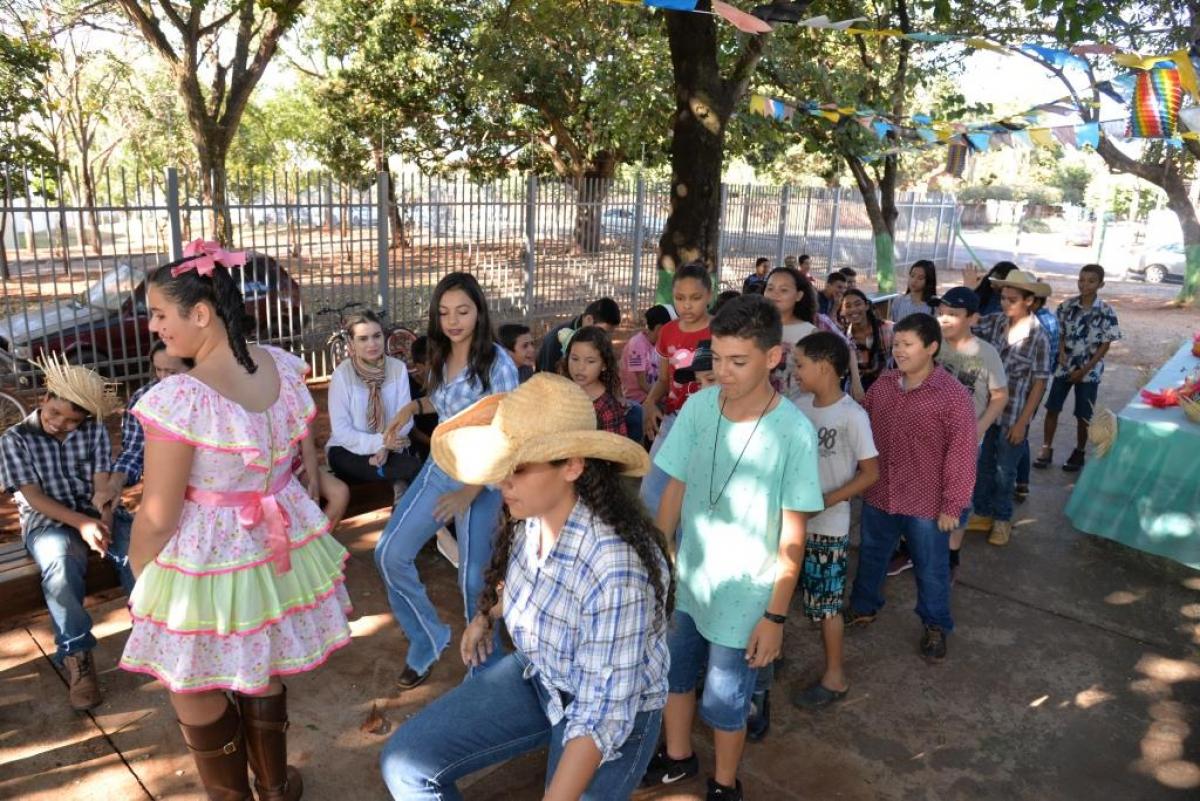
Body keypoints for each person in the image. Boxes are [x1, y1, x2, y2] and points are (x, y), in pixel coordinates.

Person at [120, 243, 352, 801]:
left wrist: (140, 567)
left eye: (159, 314)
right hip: (273, 544)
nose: (153, 327)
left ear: (201, 314)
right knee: (258, 661)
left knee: (192, 683)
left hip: (208, 555)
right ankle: (275, 786)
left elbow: (159, 514)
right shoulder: (278, 365)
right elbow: (294, 452)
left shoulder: (182, 398)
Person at [380, 374, 668, 800]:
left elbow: (601, 715)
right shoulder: (533, 514)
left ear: (572, 466)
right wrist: (486, 614)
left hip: (611, 713)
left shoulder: (615, 568)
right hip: (540, 674)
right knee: (406, 762)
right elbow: (526, 583)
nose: (502, 483)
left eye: (517, 468)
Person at [640, 295, 822, 801]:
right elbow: (675, 486)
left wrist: (775, 616)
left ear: (773, 358)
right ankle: (678, 757)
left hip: (746, 599)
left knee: (724, 702)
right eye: (717, 358)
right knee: (675, 676)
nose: (722, 371)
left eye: (737, 362)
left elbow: (793, 535)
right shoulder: (699, 407)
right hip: (688, 581)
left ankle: (724, 784)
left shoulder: (793, 433)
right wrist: (660, 560)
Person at [376, 272, 519, 690]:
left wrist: (469, 493)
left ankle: (485, 676)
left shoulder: (498, 363)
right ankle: (428, 638)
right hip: (442, 467)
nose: (453, 321)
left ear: (479, 312)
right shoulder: (440, 353)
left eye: (462, 311)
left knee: (474, 580)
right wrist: (412, 407)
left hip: (485, 479)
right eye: (444, 313)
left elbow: (509, 434)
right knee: (389, 554)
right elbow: (444, 403)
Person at [0, 355, 133, 711]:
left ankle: (156, 634)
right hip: (48, 520)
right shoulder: (14, 439)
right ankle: (77, 655)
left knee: (137, 553)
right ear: (45, 398)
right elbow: (34, 498)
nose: (62, 424)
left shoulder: (94, 430)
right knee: (60, 564)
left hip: (96, 513)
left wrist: (104, 520)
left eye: (74, 421)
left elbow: (102, 486)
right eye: (55, 413)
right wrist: (83, 525)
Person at [844, 314, 977, 662]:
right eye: (897, 344)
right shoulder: (885, 385)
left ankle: (935, 625)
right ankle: (863, 606)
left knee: (931, 567)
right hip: (881, 493)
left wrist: (953, 505)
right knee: (871, 555)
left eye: (908, 344)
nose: (899, 351)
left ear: (931, 348)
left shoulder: (953, 396)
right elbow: (862, 428)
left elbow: (962, 454)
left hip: (926, 503)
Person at [789, 332, 879, 710]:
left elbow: (870, 473)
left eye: (800, 365)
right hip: (791, 522)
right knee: (778, 592)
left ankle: (835, 676)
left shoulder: (852, 416)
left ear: (824, 367)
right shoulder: (797, 406)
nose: (794, 372)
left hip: (828, 527)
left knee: (826, 604)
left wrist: (824, 502)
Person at [965, 271, 1052, 546]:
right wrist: (970, 291)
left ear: (1029, 301)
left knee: (1006, 471)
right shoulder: (995, 322)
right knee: (984, 465)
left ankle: (1002, 519)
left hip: (1013, 415)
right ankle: (982, 513)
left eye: (1012, 299)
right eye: (1003, 298)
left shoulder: (1039, 337)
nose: (1005, 303)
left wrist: (1022, 423)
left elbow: (1039, 383)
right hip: (986, 411)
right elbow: (965, 322)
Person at [934, 287, 1008, 579]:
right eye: (941, 312)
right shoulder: (932, 343)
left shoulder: (986, 353)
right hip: (928, 435)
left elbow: (999, 396)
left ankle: (951, 555)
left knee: (958, 496)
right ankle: (912, 547)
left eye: (953, 314)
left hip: (964, 440)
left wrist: (978, 428)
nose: (944, 319)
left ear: (973, 319)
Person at [639, 263, 713, 519]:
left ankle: (682, 540)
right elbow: (663, 379)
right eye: (680, 298)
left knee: (693, 495)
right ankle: (656, 541)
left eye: (695, 298)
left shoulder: (720, 331)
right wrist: (650, 403)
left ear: (709, 296)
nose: (687, 305)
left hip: (710, 424)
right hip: (674, 420)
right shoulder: (668, 332)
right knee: (651, 490)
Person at [326, 310, 423, 503]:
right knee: (405, 468)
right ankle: (397, 485)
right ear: (351, 344)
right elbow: (341, 431)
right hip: (348, 450)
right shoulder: (342, 375)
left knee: (412, 467)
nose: (372, 344)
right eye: (363, 339)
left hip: (392, 447)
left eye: (376, 336)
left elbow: (405, 418)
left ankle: (400, 499)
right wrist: (380, 444)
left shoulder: (397, 369)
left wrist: (386, 448)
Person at [1034, 263, 1120, 475]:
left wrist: (1086, 369)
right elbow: (1060, 332)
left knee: (1083, 414)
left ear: (1101, 284)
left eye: (1091, 281)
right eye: (1081, 280)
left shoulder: (1106, 311)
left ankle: (1079, 451)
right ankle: (1046, 447)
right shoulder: (1066, 306)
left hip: (1089, 372)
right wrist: (1061, 352)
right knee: (1053, 408)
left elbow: (1105, 344)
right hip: (1064, 367)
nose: (1084, 285)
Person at [107, 340, 193, 500]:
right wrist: (115, 482)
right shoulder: (144, 398)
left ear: (193, 367)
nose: (163, 377)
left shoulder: (210, 397)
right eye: (158, 369)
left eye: (172, 372)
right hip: (165, 489)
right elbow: (134, 451)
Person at [1014, 292, 1060, 500]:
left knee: (1019, 431)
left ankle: (1021, 482)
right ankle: (1021, 482)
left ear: (1034, 301)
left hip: (1029, 386)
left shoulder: (1041, 323)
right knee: (1018, 432)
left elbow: (1041, 365)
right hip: (1029, 384)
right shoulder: (1047, 319)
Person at [764, 265, 817, 400]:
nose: (775, 294)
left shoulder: (809, 332)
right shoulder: (754, 326)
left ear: (799, 296)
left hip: (795, 405)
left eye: (783, 290)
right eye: (770, 288)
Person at [562, 326, 627, 436]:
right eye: (575, 359)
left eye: (590, 361)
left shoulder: (607, 408)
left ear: (604, 365)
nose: (580, 367)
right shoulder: (562, 394)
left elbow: (614, 445)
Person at [535, 297, 621, 373]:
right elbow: (550, 378)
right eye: (602, 331)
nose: (605, 337)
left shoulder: (598, 338)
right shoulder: (557, 340)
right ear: (589, 319)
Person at [841, 288, 893, 392]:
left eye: (858, 304)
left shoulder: (888, 329)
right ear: (843, 311)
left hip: (886, 387)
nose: (853, 309)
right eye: (848, 306)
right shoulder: (843, 338)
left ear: (867, 306)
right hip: (856, 388)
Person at [620, 304, 672, 406]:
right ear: (659, 328)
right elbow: (642, 384)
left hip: (651, 395)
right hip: (638, 400)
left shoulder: (656, 344)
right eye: (668, 330)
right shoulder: (636, 345)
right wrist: (661, 398)